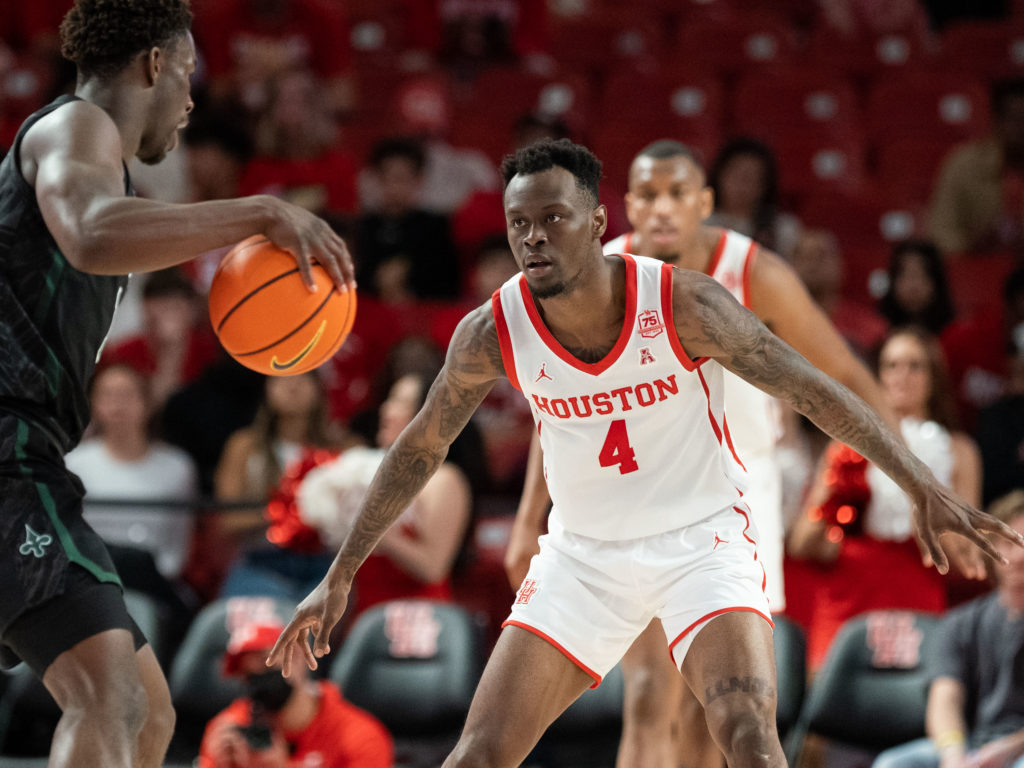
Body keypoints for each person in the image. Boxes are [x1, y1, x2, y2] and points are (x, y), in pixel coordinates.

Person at [267, 139, 1020, 768]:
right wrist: (341, 572)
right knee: (478, 754)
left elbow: (816, 390)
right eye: (519, 223)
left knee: (747, 737)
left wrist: (920, 484)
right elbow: (419, 449)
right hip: (583, 557)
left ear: (598, 222)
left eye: (553, 218)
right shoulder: (492, 331)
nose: (533, 237)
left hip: (703, 542)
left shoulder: (686, 302)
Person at [0, 0, 355, 764]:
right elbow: (92, 233)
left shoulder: (99, 162)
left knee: (146, 714)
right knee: (112, 701)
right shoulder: (77, 126)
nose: (192, 99)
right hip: (9, 456)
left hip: (30, 454)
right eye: (188, 72)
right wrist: (259, 211)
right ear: (154, 65)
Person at [503, 139, 900, 768]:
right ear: (626, 206)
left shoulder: (753, 271)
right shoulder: (596, 270)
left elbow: (844, 372)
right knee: (646, 695)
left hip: (737, 498)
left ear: (705, 202)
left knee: (712, 709)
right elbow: (554, 401)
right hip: (637, 493)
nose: (662, 208)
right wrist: (530, 517)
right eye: (648, 196)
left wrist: (913, 477)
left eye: (677, 194)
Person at [788, 327, 983, 669]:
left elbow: (969, 556)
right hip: (849, 597)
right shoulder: (847, 446)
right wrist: (835, 499)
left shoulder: (958, 450)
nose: (901, 376)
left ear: (933, 377)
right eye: (891, 366)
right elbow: (802, 543)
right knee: (830, 697)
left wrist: (922, 495)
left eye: (914, 366)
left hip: (916, 593)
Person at [298, 369, 473, 619]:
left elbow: (432, 568)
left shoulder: (444, 479)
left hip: (418, 618)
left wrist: (373, 528)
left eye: (401, 403)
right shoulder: (363, 469)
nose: (386, 410)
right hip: (361, 615)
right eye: (390, 400)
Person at [870, 489, 1024, 768]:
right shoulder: (962, 622)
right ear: (991, 549)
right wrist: (953, 755)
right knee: (892, 763)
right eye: (1010, 543)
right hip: (975, 745)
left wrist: (1009, 749)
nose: (1019, 556)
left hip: (1016, 751)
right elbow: (945, 698)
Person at [199, 621, 393, 768]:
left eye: (266, 664)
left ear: (298, 657)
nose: (257, 681)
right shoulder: (229, 730)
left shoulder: (359, 737)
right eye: (248, 675)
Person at [928, 78, 1024, 258]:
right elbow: (940, 232)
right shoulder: (963, 164)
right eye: (1016, 119)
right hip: (975, 265)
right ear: (997, 121)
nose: (1021, 129)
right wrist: (972, 247)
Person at [705, 136, 802, 260]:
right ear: (720, 175)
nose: (742, 185)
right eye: (737, 176)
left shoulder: (783, 230)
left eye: (752, 178)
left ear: (765, 184)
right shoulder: (699, 222)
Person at [877, 240, 957, 336]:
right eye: (905, 275)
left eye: (921, 275)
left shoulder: (953, 335)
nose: (913, 286)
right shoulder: (878, 334)